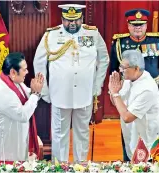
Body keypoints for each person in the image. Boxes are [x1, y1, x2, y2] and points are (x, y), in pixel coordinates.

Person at [33, 4, 109, 162]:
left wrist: (97, 86)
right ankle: (60, 166)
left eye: (75, 20)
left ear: (81, 18)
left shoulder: (92, 33)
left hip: (85, 93)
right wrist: (45, 91)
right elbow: (39, 62)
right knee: (60, 133)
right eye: (68, 20)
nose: (72, 24)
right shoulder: (51, 35)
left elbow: (104, 59)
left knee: (82, 132)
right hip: (59, 94)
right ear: (62, 19)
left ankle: (80, 165)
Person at [0, 52, 44, 162]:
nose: (27, 72)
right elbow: (23, 115)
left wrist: (34, 89)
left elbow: (27, 95)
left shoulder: (13, 80)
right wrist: (35, 94)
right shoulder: (1, 90)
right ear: (13, 72)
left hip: (13, 143)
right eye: (24, 69)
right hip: (2, 150)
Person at [108, 50, 159, 161]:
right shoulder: (130, 79)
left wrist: (115, 93)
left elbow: (127, 117)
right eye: (120, 66)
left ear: (136, 68)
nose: (120, 70)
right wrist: (113, 91)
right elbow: (117, 103)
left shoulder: (147, 88)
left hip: (148, 143)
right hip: (132, 136)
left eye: (124, 68)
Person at [110, 9, 159, 84]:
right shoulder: (119, 43)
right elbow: (113, 69)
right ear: (128, 26)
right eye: (135, 25)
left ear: (146, 26)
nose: (138, 28)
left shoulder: (157, 41)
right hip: (128, 86)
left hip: (153, 85)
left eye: (141, 24)